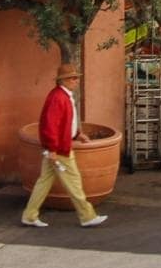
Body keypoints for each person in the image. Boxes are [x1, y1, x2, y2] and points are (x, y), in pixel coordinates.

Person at [20, 63, 108, 228]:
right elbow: (50, 126)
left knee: (44, 182)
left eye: (76, 78)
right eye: (73, 78)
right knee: (74, 182)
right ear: (64, 80)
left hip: (57, 148)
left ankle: (30, 215)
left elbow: (64, 123)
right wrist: (53, 149)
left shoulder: (61, 96)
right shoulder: (59, 98)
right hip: (60, 149)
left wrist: (76, 135)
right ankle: (87, 216)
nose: (76, 81)